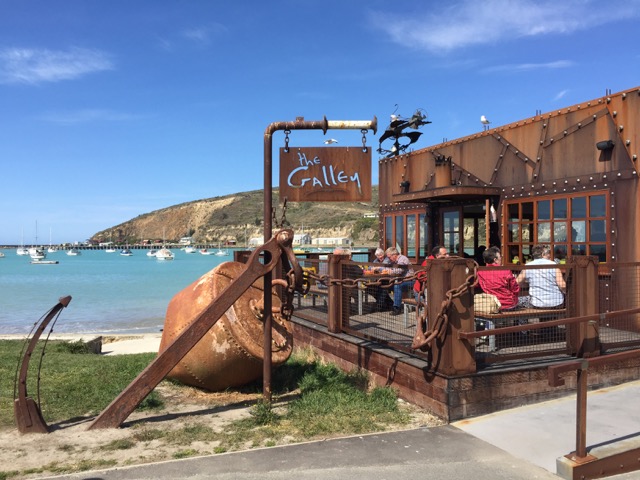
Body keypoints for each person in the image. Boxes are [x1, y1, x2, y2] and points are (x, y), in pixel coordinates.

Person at [477, 246, 520, 311]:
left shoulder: (480, 272)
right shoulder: (506, 271)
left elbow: (476, 285)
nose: (501, 258)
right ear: (495, 260)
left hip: (492, 304)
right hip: (508, 304)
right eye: (500, 257)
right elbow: (515, 289)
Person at [385, 247, 414, 315]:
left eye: (389, 257)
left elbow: (400, 270)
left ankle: (397, 308)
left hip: (410, 280)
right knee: (386, 285)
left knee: (397, 286)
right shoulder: (394, 260)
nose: (389, 259)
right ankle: (388, 304)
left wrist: (389, 271)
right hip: (402, 280)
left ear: (394, 255)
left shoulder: (403, 259)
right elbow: (386, 266)